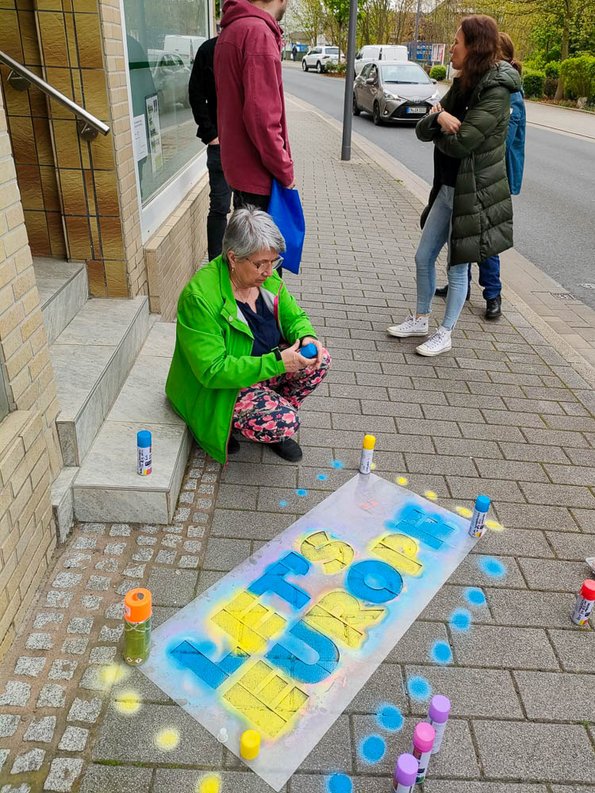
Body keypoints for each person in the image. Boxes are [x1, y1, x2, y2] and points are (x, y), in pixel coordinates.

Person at [386, 15, 522, 356]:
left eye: (456, 42)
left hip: (471, 193)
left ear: (473, 47)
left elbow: (463, 144)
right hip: (446, 188)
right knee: (423, 257)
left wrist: (439, 128)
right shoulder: (462, 82)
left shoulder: (496, 90)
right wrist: (439, 119)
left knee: (456, 266)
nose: (450, 49)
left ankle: (445, 333)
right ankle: (421, 318)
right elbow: (422, 128)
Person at [165, 207, 330, 464]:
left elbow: (294, 317)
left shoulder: (267, 279)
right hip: (221, 387)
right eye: (259, 264)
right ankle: (225, 423)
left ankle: (267, 410)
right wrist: (277, 363)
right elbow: (213, 369)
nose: (268, 271)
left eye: (273, 261)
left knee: (320, 359)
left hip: (261, 369)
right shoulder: (200, 298)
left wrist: (306, 336)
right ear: (233, 258)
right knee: (286, 422)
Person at [434, 31, 527, 321]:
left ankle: (493, 294)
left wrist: (456, 131)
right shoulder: (481, 84)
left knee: (485, 237)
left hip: (492, 176)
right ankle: (460, 283)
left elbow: (495, 141)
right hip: (471, 174)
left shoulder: (507, 92)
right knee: (464, 233)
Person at [214, 0, 295, 213]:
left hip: (240, 171)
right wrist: (285, 171)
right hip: (260, 176)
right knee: (263, 246)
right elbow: (262, 119)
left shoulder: (232, 29)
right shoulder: (259, 33)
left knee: (244, 244)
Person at [189, 35, 232, 260]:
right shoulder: (210, 49)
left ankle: (243, 267)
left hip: (247, 148)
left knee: (248, 212)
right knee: (220, 207)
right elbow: (195, 94)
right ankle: (216, 266)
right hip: (221, 146)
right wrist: (211, 134)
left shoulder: (250, 44)